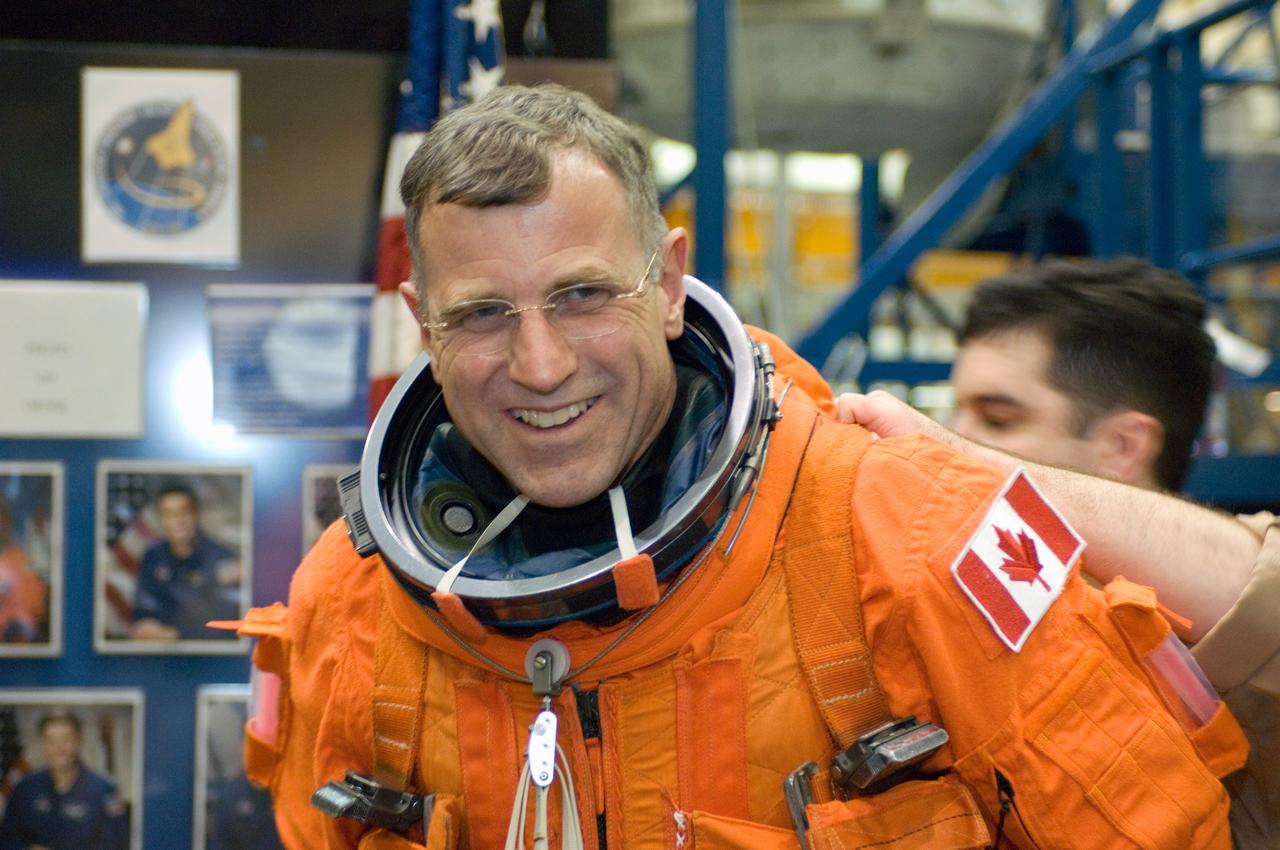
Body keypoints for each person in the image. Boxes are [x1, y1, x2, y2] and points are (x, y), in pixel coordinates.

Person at [236, 85, 1245, 849]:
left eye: (584, 294)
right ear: (420, 322)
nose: (538, 364)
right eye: (481, 312)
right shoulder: (350, 603)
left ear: (670, 282)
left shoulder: (907, 543)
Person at [839, 258, 1279, 848]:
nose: (943, 432)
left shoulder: (1242, 691)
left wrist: (956, 459)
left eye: (997, 417)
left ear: (1122, 446)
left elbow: (1259, 592)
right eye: (953, 409)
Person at [129, 482, 241, 641]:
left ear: (196, 514)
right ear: (161, 519)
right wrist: (146, 625)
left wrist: (177, 634)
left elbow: (228, 625)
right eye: (168, 514)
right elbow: (144, 608)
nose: (177, 520)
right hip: (163, 655)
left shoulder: (222, 559)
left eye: (184, 512)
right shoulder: (153, 557)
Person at [0, 713, 128, 850]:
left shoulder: (104, 791)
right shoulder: (25, 788)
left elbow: (117, 844)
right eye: (51, 741)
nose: (59, 748)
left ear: (79, 741)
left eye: (66, 740)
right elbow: (7, 839)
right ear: (43, 743)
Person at [0, 497, 47, 644]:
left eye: (2, 520)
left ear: (8, 523)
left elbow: (34, 609)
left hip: (16, 644)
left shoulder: (23, 560)